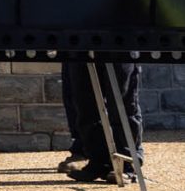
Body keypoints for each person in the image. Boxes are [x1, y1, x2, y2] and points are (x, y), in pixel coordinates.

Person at [57, 54, 143, 184]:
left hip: (119, 43)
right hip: (82, 44)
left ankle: (127, 164)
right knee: (85, 104)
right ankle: (98, 161)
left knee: (121, 104)